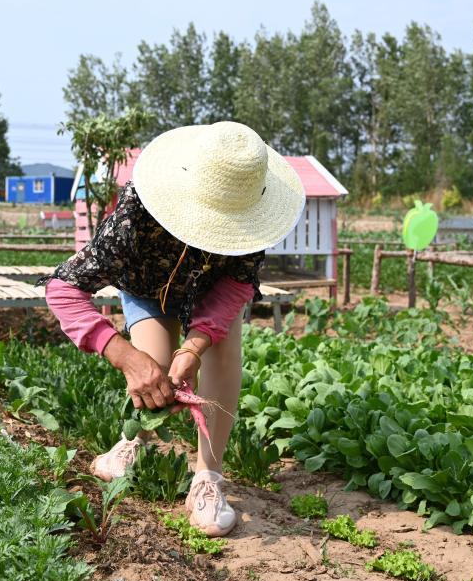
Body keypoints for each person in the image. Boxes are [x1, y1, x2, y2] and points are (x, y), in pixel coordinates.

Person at [42, 121, 305, 537]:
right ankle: (131, 442)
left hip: (210, 294)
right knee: (155, 371)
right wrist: (126, 357)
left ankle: (208, 478)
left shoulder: (251, 209)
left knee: (222, 352)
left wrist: (194, 348)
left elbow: (237, 284)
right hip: (147, 289)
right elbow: (62, 289)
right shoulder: (136, 217)